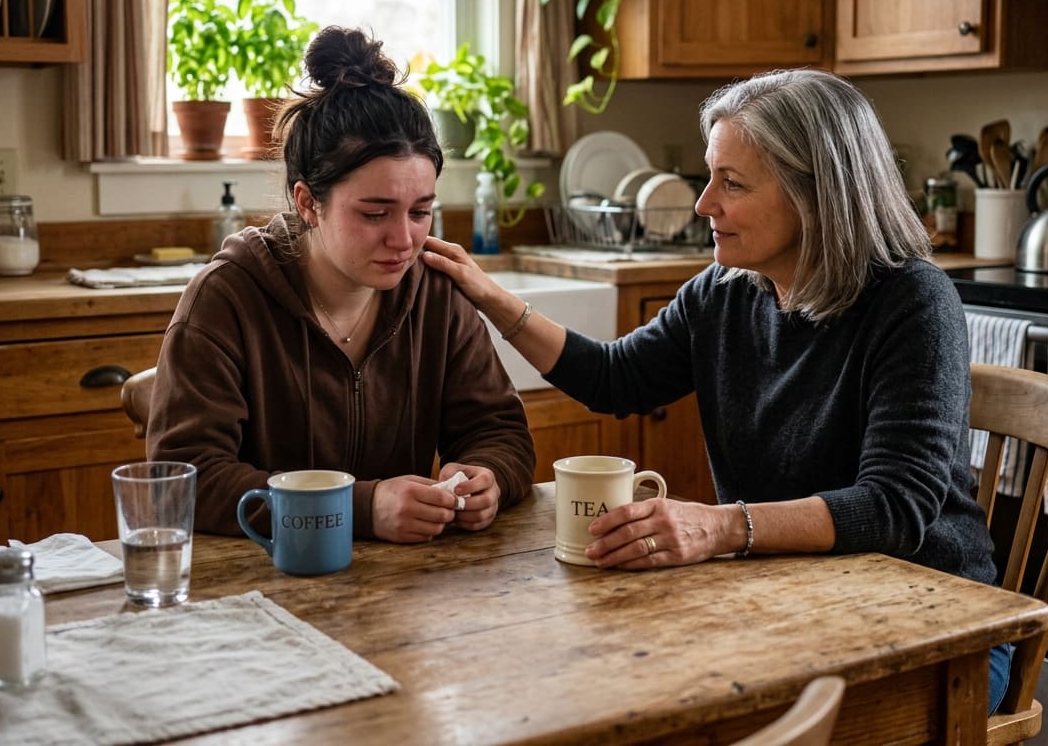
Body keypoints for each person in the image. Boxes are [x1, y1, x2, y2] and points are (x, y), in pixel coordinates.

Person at [423, 68, 1013, 712]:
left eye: (731, 183)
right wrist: (496, 301)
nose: (704, 204)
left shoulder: (913, 302)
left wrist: (719, 528)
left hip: (938, 628)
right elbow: (615, 377)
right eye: (712, 176)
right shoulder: (725, 292)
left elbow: (894, 508)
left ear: (816, 196)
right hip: (792, 601)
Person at [147, 25, 535, 544]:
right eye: (375, 213)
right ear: (307, 202)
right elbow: (184, 480)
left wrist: (489, 477)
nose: (405, 240)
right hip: (260, 590)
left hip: (405, 596)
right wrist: (360, 508)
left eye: (421, 212)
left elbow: (500, 432)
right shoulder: (225, 298)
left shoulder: (437, 293)